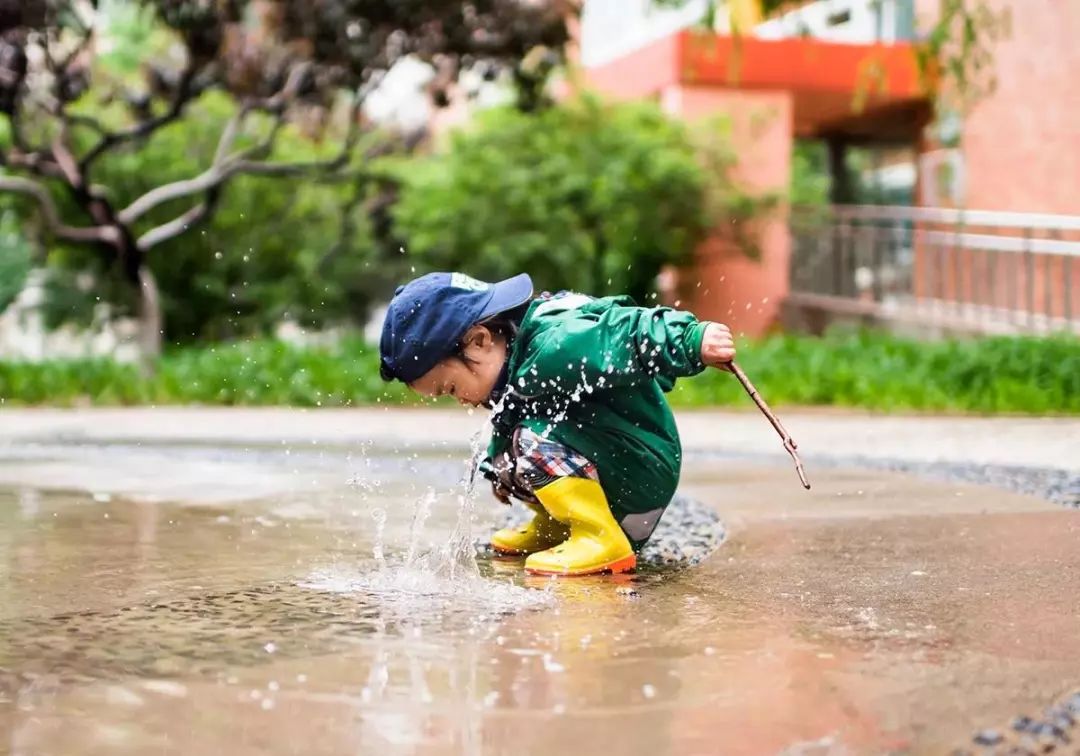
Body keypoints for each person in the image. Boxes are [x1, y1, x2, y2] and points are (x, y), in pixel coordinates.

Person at [379, 272, 736, 576]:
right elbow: (507, 423)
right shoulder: (514, 363)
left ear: (480, 340)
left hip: (640, 469)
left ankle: (599, 536)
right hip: (616, 461)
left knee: (531, 441)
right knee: (504, 452)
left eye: (450, 388)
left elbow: (625, 331)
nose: (460, 400)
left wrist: (691, 339)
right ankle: (558, 526)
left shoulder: (557, 342)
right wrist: (500, 469)